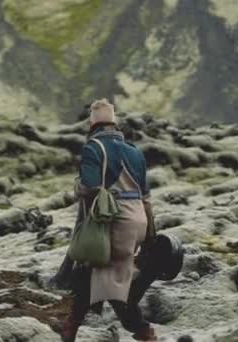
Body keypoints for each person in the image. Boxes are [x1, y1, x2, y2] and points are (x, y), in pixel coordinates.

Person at [59, 99, 157, 341]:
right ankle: (70, 328)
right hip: (138, 222)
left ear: (92, 126)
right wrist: (151, 234)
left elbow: (90, 187)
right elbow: (146, 196)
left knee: (108, 283)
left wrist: (77, 187)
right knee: (100, 275)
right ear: (114, 125)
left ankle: (144, 332)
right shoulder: (135, 151)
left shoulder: (93, 148)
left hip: (113, 222)